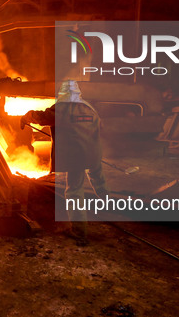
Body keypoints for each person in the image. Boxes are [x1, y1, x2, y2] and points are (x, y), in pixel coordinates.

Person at [20, 80, 108, 245]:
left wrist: (26, 116)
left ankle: (80, 233)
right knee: (98, 182)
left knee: (74, 191)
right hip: (93, 152)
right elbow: (100, 128)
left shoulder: (62, 108)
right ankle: (110, 207)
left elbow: (42, 117)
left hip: (76, 156)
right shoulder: (88, 107)